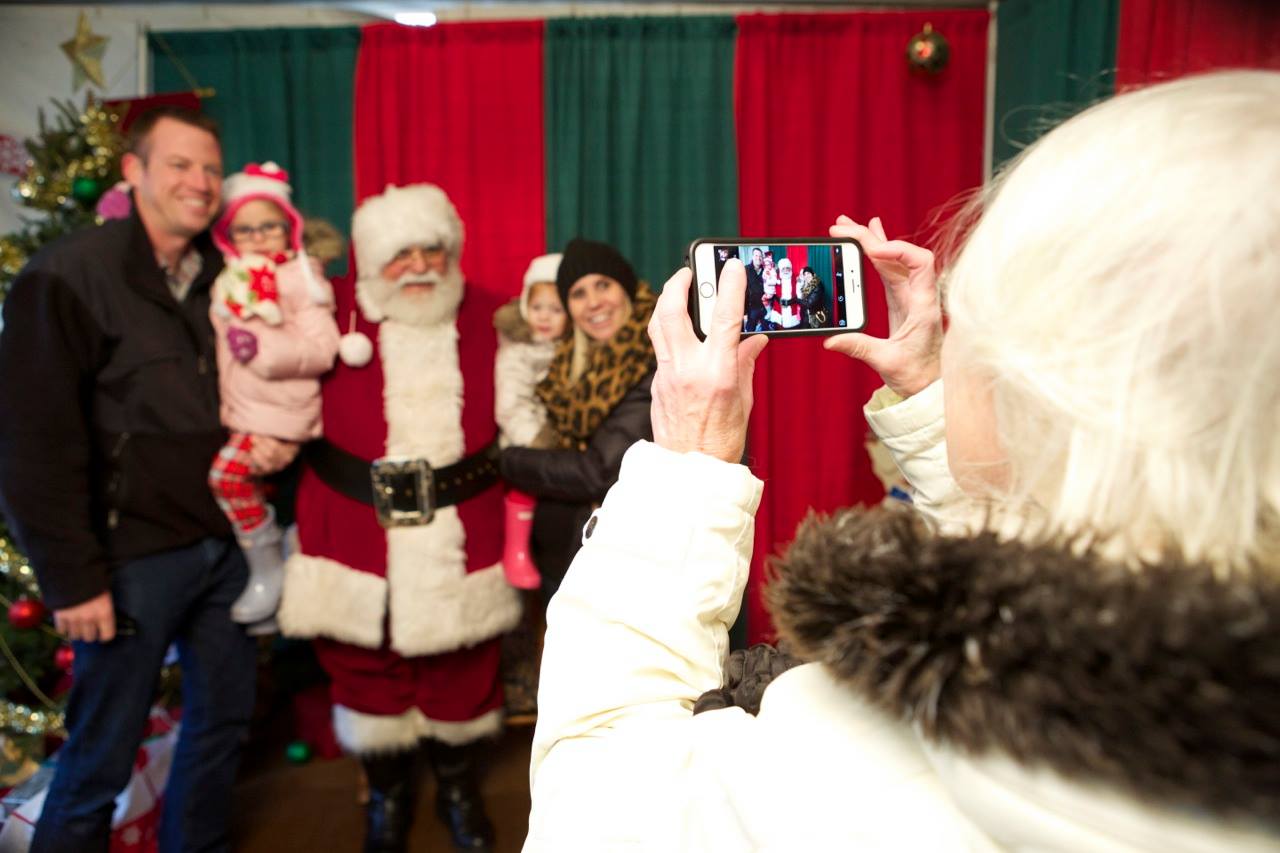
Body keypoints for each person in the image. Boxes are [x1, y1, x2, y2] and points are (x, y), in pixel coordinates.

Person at [522, 71, 1280, 850]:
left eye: (972, 323)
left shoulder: (852, 768)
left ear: (1049, 389)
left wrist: (685, 467)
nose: (957, 344)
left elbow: (592, 793)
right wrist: (926, 389)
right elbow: (1051, 530)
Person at [0, 108, 291, 852]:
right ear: (133, 172)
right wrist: (71, 579)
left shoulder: (224, 279)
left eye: (208, 169)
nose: (198, 183)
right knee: (101, 751)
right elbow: (33, 443)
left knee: (221, 726)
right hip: (130, 561)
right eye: (178, 165)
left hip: (224, 550)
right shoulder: (68, 276)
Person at [277, 183, 520, 853]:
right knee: (361, 662)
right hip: (351, 521)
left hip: (463, 517)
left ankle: (458, 790)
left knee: (464, 662)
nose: (418, 265)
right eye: (399, 254)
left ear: (452, 252)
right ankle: (385, 791)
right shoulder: (323, 319)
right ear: (368, 260)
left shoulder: (495, 315)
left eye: (431, 250)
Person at [206, 161, 340, 633]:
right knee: (259, 490)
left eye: (270, 226)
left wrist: (262, 350)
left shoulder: (303, 279)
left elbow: (323, 350)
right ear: (228, 237)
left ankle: (268, 569)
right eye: (246, 229)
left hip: (282, 413)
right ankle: (275, 576)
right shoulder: (230, 280)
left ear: (290, 229)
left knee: (226, 479)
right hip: (245, 411)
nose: (259, 237)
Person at [499, 238, 657, 601]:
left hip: (629, 562)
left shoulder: (653, 358)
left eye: (603, 285)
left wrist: (509, 461)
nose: (594, 302)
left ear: (627, 290)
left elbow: (596, 472)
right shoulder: (564, 363)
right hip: (566, 558)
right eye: (578, 293)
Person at [493, 252, 567, 590]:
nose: (545, 318)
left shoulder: (567, 347)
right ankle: (516, 551)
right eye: (538, 308)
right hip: (526, 436)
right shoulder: (517, 350)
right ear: (525, 306)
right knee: (524, 490)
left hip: (560, 438)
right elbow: (510, 405)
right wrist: (536, 437)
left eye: (555, 310)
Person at [766, 256, 803, 329]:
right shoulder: (775, 279)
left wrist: (800, 283)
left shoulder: (796, 278)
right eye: (783, 269)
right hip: (779, 311)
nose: (786, 270)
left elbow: (800, 295)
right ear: (780, 270)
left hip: (792, 311)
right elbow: (769, 290)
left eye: (788, 268)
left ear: (790, 269)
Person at [743, 246, 767, 332]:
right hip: (751, 308)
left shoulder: (765, 271)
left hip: (764, 307)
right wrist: (744, 312)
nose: (758, 258)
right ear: (752, 256)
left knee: (766, 332)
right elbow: (742, 291)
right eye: (756, 255)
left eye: (760, 256)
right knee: (749, 332)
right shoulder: (746, 269)